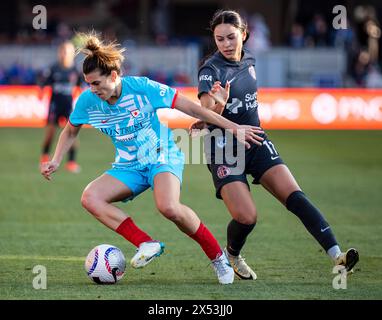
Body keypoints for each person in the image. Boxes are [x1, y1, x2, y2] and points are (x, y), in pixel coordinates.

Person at [40, 32, 263, 284]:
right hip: (128, 166)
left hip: (161, 155)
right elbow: (70, 129)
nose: (92, 89)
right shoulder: (88, 101)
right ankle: (146, 243)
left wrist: (232, 126)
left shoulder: (142, 87)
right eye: (88, 84)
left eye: (96, 83)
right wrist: (57, 159)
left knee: (168, 207)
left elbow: (189, 107)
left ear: (113, 76)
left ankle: (217, 258)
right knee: (90, 197)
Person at [191, 10, 359, 280]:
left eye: (231, 37)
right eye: (220, 39)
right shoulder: (211, 69)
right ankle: (232, 254)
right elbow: (205, 109)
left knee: (296, 197)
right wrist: (218, 104)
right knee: (247, 217)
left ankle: (337, 257)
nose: (226, 44)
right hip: (224, 149)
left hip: (256, 140)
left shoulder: (249, 59)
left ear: (244, 35)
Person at [39, 41, 81, 173]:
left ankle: (71, 162)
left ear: (72, 54)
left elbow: (81, 87)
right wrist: (40, 92)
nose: (64, 54)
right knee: (50, 133)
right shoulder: (53, 69)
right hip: (54, 105)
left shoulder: (75, 71)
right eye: (62, 51)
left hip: (68, 106)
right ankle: (45, 157)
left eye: (67, 52)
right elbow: (43, 84)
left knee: (73, 134)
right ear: (59, 53)